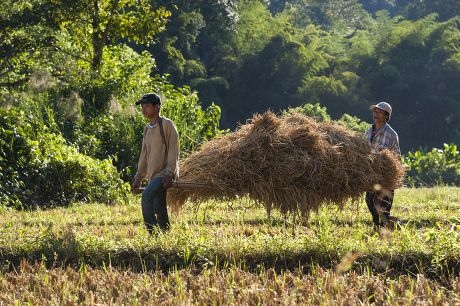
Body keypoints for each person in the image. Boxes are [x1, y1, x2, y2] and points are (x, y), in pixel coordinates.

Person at [132, 93, 179, 234]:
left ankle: (153, 234)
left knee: (147, 196)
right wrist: (138, 178)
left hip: (164, 174)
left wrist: (169, 173)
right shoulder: (147, 129)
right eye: (142, 106)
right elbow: (144, 156)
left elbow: (173, 150)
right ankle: (166, 234)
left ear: (157, 107)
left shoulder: (166, 125)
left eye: (147, 106)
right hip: (153, 175)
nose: (143, 109)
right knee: (159, 208)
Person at [364, 101, 401, 229]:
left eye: (379, 112)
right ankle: (378, 226)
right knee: (369, 201)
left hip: (385, 176)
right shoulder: (368, 131)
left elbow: (396, 156)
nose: (376, 113)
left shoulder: (391, 134)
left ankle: (391, 226)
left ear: (386, 115)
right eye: (375, 111)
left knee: (383, 207)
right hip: (371, 175)